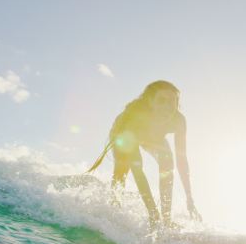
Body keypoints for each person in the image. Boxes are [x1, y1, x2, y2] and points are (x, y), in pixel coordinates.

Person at [87, 80, 202, 227]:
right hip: (123, 133)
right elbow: (138, 170)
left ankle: (166, 220)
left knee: (168, 162)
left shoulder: (179, 120)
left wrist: (189, 198)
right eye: (161, 100)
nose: (167, 107)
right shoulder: (135, 117)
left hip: (154, 138)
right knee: (122, 170)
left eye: (172, 101)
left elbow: (182, 160)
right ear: (150, 102)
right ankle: (114, 207)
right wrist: (152, 213)